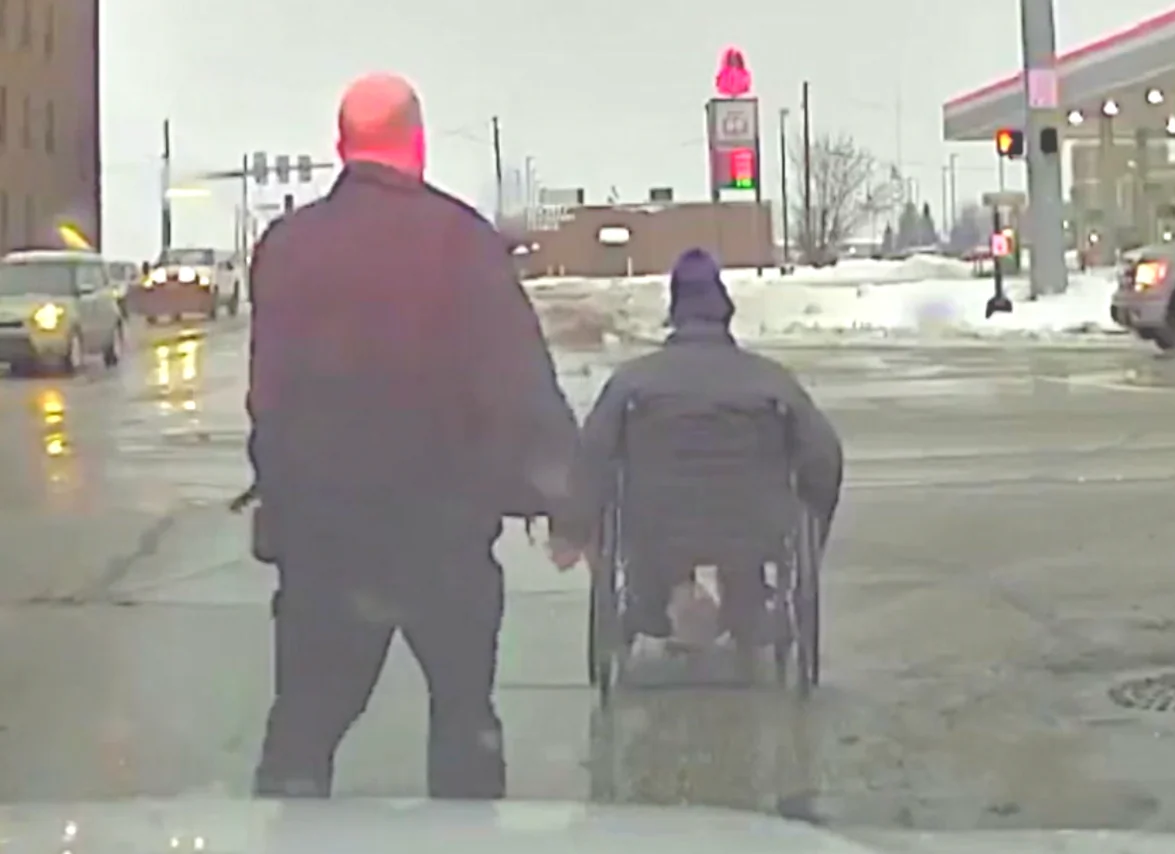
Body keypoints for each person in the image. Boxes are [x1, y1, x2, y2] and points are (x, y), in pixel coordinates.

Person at [246, 72, 579, 799]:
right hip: (445, 536)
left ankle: (287, 828)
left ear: (342, 147)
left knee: (304, 725)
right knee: (464, 719)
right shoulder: (461, 242)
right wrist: (565, 499)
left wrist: (281, 500)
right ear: (418, 143)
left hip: (325, 543)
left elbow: (269, 396)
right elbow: (518, 380)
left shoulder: (289, 246)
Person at [559, 248, 842, 661]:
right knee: (742, 541)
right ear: (724, 312)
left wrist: (577, 523)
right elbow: (823, 456)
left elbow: (592, 455)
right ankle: (747, 609)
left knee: (651, 535)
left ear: (675, 313)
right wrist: (813, 520)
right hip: (752, 522)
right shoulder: (769, 381)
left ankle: (649, 607)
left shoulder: (634, 382)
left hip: (654, 524)